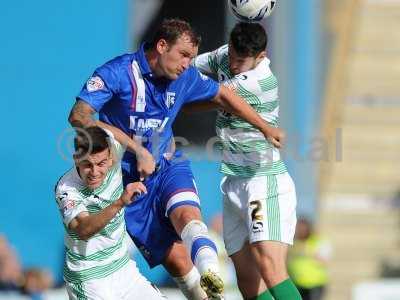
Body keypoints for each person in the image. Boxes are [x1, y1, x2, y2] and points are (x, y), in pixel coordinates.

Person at [68, 19, 284, 299]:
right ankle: (206, 291)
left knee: (187, 215)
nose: (187, 64)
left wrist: (265, 127)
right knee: (178, 262)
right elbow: (79, 116)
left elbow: (223, 96)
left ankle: (210, 269)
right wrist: (136, 149)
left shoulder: (184, 76)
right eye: (183, 55)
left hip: (168, 164)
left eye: (192, 58)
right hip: (127, 181)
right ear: (161, 46)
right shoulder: (117, 72)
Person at [187, 22, 302, 300]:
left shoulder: (259, 82)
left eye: (242, 61)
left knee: (270, 266)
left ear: (260, 57)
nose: (235, 65)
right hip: (234, 180)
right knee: (247, 279)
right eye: (233, 58)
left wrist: (171, 94)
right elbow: (190, 65)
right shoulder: (227, 54)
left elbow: (203, 99)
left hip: (263, 181)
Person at [55, 126, 165, 300]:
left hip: (123, 268)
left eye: (100, 164)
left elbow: (111, 130)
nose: (94, 172)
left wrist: (140, 152)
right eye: (87, 165)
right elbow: (83, 230)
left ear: (111, 157)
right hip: (88, 278)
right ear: (76, 159)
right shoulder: (66, 188)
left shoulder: (114, 149)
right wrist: (120, 202)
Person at [288, 218, 332, 300]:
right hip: (297, 284)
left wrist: (307, 251)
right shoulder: (293, 242)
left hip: (315, 285)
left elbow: (324, 261)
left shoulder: (319, 241)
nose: (300, 230)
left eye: (302, 228)